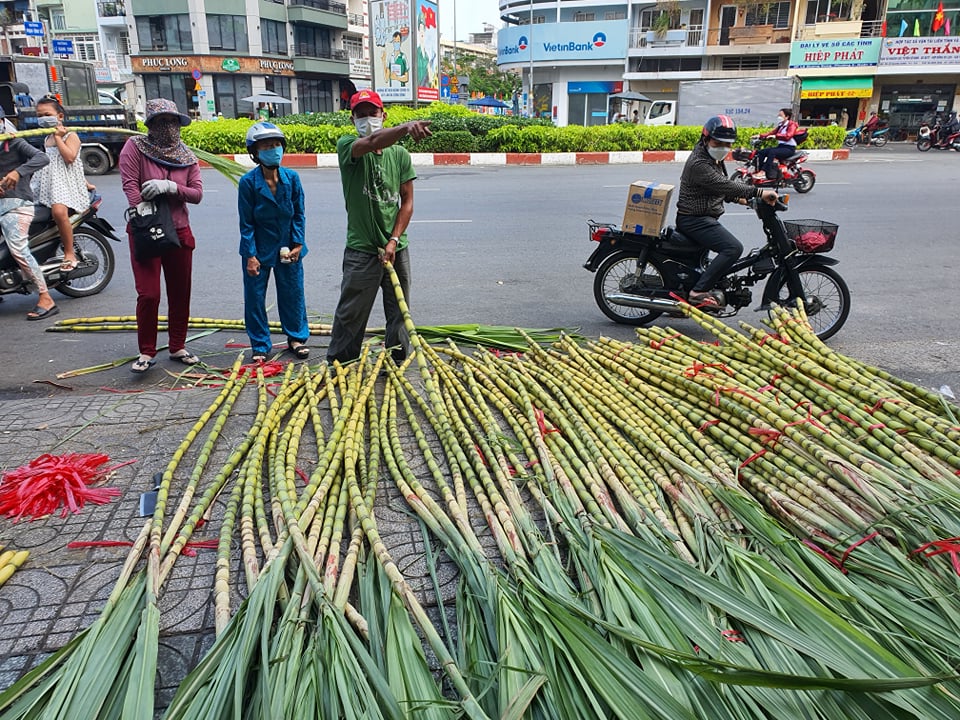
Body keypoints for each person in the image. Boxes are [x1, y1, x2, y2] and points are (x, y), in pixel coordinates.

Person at [327, 89, 432, 366]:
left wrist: (394, 240)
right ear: (353, 120)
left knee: (399, 311)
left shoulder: (399, 155)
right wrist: (406, 127)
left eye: (372, 114)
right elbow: (372, 140)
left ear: (383, 115)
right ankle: (340, 365)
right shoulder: (348, 146)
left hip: (397, 247)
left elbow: (407, 201)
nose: (367, 120)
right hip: (361, 249)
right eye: (360, 116)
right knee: (351, 313)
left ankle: (396, 361)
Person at [118, 98, 203, 373]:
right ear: (151, 125)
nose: (168, 127)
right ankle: (146, 351)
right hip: (147, 231)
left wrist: (170, 187)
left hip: (179, 232)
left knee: (180, 292)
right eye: (161, 122)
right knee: (149, 294)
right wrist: (141, 206)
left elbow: (197, 194)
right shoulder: (135, 148)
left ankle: (178, 345)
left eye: (172, 122)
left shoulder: (187, 157)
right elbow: (129, 182)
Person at [675, 115, 778, 308]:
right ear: (705, 139)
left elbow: (719, 189)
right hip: (694, 219)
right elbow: (725, 184)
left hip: (704, 216)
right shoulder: (700, 163)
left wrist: (747, 201)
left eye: (727, 144)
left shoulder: (711, 158)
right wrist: (759, 192)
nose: (722, 147)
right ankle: (698, 292)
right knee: (733, 248)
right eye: (717, 142)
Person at [238, 122, 310, 363]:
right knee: (255, 298)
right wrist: (250, 255)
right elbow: (246, 222)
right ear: (255, 152)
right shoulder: (248, 183)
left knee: (293, 293)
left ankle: (296, 338)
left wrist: (298, 243)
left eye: (277, 144)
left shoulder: (292, 178)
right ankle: (260, 345)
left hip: (288, 246)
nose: (274, 149)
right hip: (258, 248)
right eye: (267, 146)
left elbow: (299, 213)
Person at [31, 95, 90, 273]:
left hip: (65, 186)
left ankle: (70, 253)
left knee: (58, 211)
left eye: (47, 114)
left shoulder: (71, 135)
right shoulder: (46, 138)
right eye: (39, 116)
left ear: (60, 116)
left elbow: (70, 158)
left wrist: (58, 137)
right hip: (49, 184)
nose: (43, 119)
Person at [0, 118, 52, 319]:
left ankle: (46, 297)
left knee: (18, 250)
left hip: (18, 204)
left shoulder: (14, 141)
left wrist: (17, 172)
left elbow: (42, 158)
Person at [755, 108, 798, 181]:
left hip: (789, 149)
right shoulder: (781, 125)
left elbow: (788, 136)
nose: (779, 117)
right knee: (762, 152)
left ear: (787, 117)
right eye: (778, 115)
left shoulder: (792, 125)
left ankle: (763, 171)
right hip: (781, 147)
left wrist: (776, 136)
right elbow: (771, 133)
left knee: (772, 152)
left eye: (781, 115)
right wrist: (760, 136)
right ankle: (759, 171)